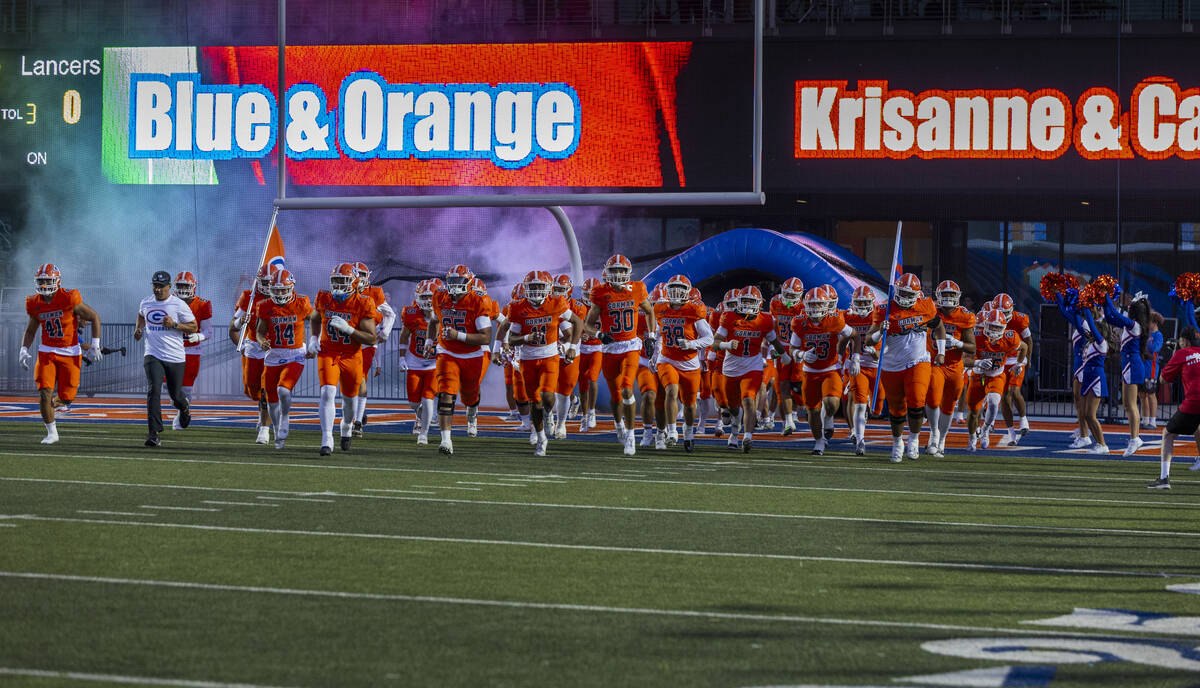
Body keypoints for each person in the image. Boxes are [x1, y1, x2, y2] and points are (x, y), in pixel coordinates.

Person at [865, 273, 946, 463]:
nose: (906, 297)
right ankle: (897, 442)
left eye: (910, 294)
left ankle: (914, 439)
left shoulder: (926, 306)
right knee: (896, 409)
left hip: (918, 361)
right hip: (891, 364)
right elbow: (869, 339)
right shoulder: (884, 309)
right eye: (902, 292)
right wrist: (879, 332)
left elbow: (939, 327)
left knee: (917, 400)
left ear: (917, 294)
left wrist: (941, 352)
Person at [20, 264, 103, 444]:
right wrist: (24, 349)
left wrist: (95, 344)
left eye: (47, 281)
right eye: (40, 281)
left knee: (66, 398)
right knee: (44, 392)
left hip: (70, 352)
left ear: (56, 280)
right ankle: (52, 432)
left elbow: (94, 316)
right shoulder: (34, 303)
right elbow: (30, 331)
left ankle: (57, 405)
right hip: (47, 352)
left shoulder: (68, 298)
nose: (43, 285)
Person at [584, 254, 657, 456]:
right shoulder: (600, 292)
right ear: (607, 273)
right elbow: (587, 325)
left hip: (631, 346)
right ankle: (619, 426)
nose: (617, 274)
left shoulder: (637, 289)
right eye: (614, 270)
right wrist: (599, 334)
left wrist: (650, 336)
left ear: (628, 273)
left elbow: (650, 312)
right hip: (609, 349)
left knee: (626, 389)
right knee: (616, 396)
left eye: (621, 271)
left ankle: (632, 436)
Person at [506, 270, 582, 456]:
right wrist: (526, 337)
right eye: (533, 287)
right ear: (526, 288)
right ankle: (541, 438)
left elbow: (577, 322)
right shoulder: (518, 308)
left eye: (540, 286)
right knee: (535, 402)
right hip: (528, 358)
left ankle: (549, 414)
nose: (536, 290)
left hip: (549, 356)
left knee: (548, 396)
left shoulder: (556, 303)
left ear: (548, 288)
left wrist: (571, 346)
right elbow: (512, 339)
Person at [308, 263, 378, 455]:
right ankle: (327, 438)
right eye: (336, 281)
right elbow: (315, 317)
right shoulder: (324, 298)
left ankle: (346, 426)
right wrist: (314, 338)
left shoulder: (362, 303)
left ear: (354, 282)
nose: (338, 285)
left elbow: (372, 338)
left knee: (349, 403)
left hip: (351, 356)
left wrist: (349, 329)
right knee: (327, 393)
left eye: (343, 281)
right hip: (328, 352)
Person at [427, 264, 493, 455]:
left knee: (469, 396)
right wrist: (430, 340)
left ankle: (472, 413)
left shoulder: (478, 301)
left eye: (459, 281)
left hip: (472, 355)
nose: (455, 285)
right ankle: (446, 440)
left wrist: (459, 336)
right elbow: (433, 321)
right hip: (446, 353)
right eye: (452, 281)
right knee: (446, 393)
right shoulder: (440, 297)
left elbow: (485, 337)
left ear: (469, 282)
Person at [712, 286, 786, 453]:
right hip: (731, 366)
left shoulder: (764, 319)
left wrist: (784, 355)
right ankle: (735, 429)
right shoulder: (729, 317)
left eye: (751, 301)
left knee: (748, 399)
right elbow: (715, 343)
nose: (747, 304)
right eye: (744, 301)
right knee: (732, 406)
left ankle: (747, 436)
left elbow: (774, 342)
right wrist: (726, 344)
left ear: (759, 304)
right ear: (738, 302)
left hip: (752, 365)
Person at [134, 270, 197, 447]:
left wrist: (175, 324)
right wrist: (138, 329)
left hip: (175, 355)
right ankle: (153, 433)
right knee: (153, 389)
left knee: (175, 394)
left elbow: (193, 326)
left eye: (161, 286)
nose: (158, 289)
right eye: (155, 285)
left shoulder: (178, 304)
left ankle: (184, 407)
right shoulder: (146, 302)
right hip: (152, 354)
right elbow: (141, 315)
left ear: (170, 287)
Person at [790, 284, 855, 455]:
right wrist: (801, 354)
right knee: (812, 410)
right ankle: (819, 441)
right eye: (812, 304)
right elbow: (792, 348)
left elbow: (853, 335)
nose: (816, 308)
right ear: (806, 305)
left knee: (831, 403)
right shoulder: (799, 322)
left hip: (831, 368)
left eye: (819, 304)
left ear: (826, 305)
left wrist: (852, 356)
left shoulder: (835, 320)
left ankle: (829, 418)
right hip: (810, 371)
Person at [255, 269, 312, 450]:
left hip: (295, 354)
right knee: (271, 400)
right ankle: (277, 428)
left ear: (291, 288)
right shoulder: (265, 306)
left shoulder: (301, 303)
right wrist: (262, 341)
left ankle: (285, 418)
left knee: (283, 389)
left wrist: (314, 343)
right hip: (273, 356)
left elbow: (317, 321)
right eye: (276, 290)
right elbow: (260, 332)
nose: (279, 293)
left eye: (283, 290)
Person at [654, 275, 712, 452]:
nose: (676, 293)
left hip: (689, 363)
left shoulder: (694, 310)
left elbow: (709, 338)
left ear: (688, 292)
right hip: (667, 359)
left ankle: (688, 432)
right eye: (673, 289)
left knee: (689, 404)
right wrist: (654, 356)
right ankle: (671, 432)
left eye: (680, 289)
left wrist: (691, 344)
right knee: (671, 390)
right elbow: (658, 336)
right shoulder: (661, 308)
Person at [925, 280, 976, 457]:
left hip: (955, 366)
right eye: (944, 294)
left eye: (951, 295)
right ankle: (933, 433)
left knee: (948, 406)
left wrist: (957, 342)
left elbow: (972, 348)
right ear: (938, 296)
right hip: (935, 363)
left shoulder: (965, 316)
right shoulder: (930, 310)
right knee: (932, 397)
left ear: (958, 297)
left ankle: (941, 440)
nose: (947, 298)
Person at [1148, 326, 1200, 489]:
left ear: (1184, 340)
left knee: (1168, 434)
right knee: (1198, 429)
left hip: (1194, 401)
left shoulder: (1182, 353)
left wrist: (1175, 355)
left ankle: (1164, 478)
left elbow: (1163, 379)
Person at [965, 309, 1025, 451]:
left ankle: (985, 429)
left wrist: (1019, 363)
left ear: (1004, 328)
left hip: (996, 375)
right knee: (973, 413)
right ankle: (973, 436)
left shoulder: (1010, 337)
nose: (994, 330)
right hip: (978, 375)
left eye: (998, 327)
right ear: (985, 325)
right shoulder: (976, 335)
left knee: (993, 402)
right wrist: (977, 363)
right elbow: (964, 359)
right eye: (992, 326)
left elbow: (1024, 347)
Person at [352, 261, 396, 437]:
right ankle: (357, 414)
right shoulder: (344, 292)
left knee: (360, 379)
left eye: (363, 275)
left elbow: (390, 314)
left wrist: (385, 332)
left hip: (367, 342)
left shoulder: (374, 292)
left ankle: (356, 422)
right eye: (357, 275)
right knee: (349, 383)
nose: (360, 279)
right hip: (347, 342)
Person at [231, 265, 274, 444]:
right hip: (253, 347)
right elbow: (233, 326)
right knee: (252, 389)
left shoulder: (283, 299)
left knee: (267, 391)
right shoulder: (248, 297)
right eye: (266, 282)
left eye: (273, 282)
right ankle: (262, 414)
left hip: (274, 349)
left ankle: (264, 429)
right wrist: (241, 322)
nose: (270, 286)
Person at [1103, 291, 1150, 456]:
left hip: (1132, 365)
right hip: (1129, 365)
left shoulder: (1133, 325)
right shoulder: (1131, 325)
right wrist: (1103, 301)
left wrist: (1106, 295)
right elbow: (1110, 318)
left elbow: (1115, 313)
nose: (1128, 308)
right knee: (1128, 404)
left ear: (1134, 312)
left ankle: (1135, 438)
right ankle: (1134, 437)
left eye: (1130, 307)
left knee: (1130, 405)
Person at [398, 279, 439, 445]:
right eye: (424, 297)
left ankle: (424, 432)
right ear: (417, 297)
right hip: (414, 360)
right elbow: (404, 336)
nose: (428, 301)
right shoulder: (411, 313)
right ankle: (422, 416)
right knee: (414, 403)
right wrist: (401, 357)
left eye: (431, 297)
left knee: (428, 397)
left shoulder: (445, 314)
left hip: (434, 363)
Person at [171, 271, 213, 430]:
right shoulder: (169, 301)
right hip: (171, 350)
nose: (182, 289)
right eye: (180, 286)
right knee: (172, 391)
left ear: (193, 287)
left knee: (186, 389)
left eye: (185, 286)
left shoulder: (202, 304)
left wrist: (199, 337)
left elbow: (208, 331)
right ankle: (181, 408)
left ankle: (182, 414)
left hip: (191, 351)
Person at [992, 293, 1033, 447]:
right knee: (1004, 397)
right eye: (1001, 313)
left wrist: (1027, 359)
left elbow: (1028, 340)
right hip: (1001, 358)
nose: (1003, 316)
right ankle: (1011, 432)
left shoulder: (1019, 319)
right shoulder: (991, 318)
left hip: (1017, 357)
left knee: (1013, 391)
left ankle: (1023, 419)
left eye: (1006, 313)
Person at [769, 277, 805, 436]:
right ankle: (788, 422)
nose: (789, 299)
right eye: (787, 295)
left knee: (797, 385)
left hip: (798, 349)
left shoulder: (804, 307)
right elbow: (773, 326)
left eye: (792, 296)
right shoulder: (775, 303)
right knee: (782, 385)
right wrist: (773, 346)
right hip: (782, 348)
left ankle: (800, 407)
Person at [1140, 311, 1164, 430]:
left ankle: (1153, 421)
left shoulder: (1158, 335)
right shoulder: (1147, 334)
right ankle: (1145, 420)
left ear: (1154, 323)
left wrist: (1146, 346)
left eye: (1148, 322)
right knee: (1142, 394)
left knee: (1151, 394)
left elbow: (1155, 348)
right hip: (1144, 367)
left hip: (1152, 368)